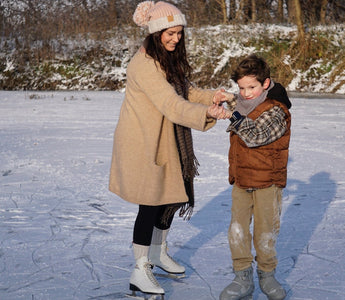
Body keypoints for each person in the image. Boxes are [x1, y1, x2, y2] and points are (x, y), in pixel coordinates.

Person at [109, 1, 233, 298]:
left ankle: (157, 252)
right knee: (150, 203)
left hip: (166, 137)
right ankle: (140, 268)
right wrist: (208, 113)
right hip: (144, 142)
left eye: (179, 33)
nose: (176, 38)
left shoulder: (165, 59)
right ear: (155, 32)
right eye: (170, 33)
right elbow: (170, 103)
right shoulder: (145, 64)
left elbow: (185, 91)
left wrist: (213, 96)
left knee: (169, 199)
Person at [220, 54, 291, 300]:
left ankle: (267, 274)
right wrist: (227, 101)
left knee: (265, 232)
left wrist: (233, 116)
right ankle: (242, 276)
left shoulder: (276, 109)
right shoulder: (242, 103)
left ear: (265, 83)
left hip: (267, 183)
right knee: (237, 230)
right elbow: (239, 107)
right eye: (241, 88)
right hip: (241, 180)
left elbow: (256, 136)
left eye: (252, 87)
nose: (246, 93)